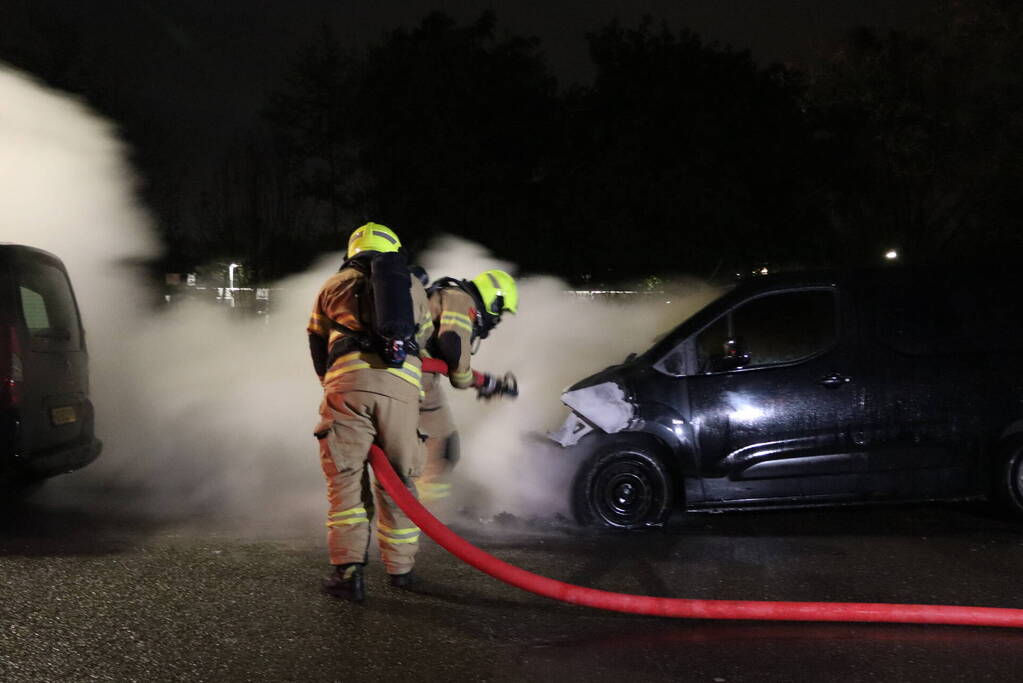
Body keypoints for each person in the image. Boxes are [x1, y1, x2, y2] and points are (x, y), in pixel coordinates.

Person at [308, 222, 431, 601]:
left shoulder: (334, 284)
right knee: (400, 483)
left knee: (345, 481)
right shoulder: (413, 287)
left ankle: (348, 574)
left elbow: (316, 340)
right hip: (401, 390)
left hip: (347, 388)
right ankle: (402, 569)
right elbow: (422, 343)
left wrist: (331, 383)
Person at [416, 269, 519, 504]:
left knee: (424, 448)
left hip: (413, 374)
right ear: (495, 299)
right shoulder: (462, 300)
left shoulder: (446, 295)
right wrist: (478, 381)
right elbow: (453, 349)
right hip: (412, 377)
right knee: (442, 448)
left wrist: (485, 383)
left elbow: (444, 362)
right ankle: (428, 513)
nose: (497, 320)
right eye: (499, 312)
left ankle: (421, 511)